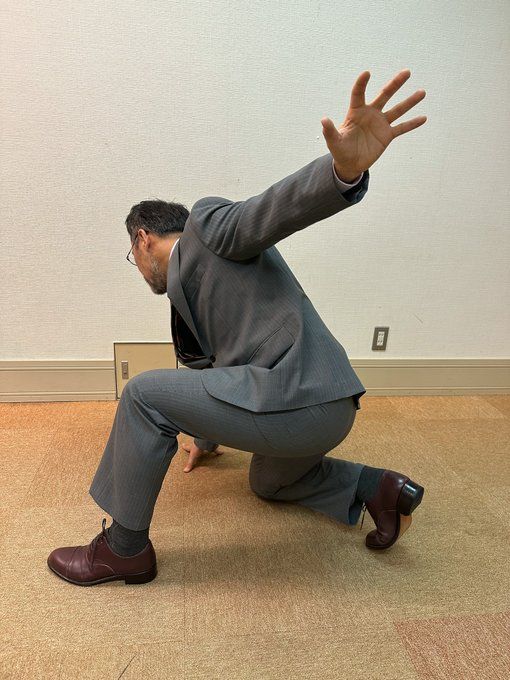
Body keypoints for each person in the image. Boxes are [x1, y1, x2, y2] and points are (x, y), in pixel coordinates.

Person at [47, 69, 427, 586]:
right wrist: (206, 435)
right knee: (268, 482)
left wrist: (341, 172)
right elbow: (219, 372)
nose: (136, 270)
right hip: (325, 409)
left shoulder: (205, 228)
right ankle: (376, 487)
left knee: (142, 394)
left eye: (130, 257)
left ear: (142, 239)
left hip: (299, 392)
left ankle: (123, 549)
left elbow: (268, 213)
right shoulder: (189, 295)